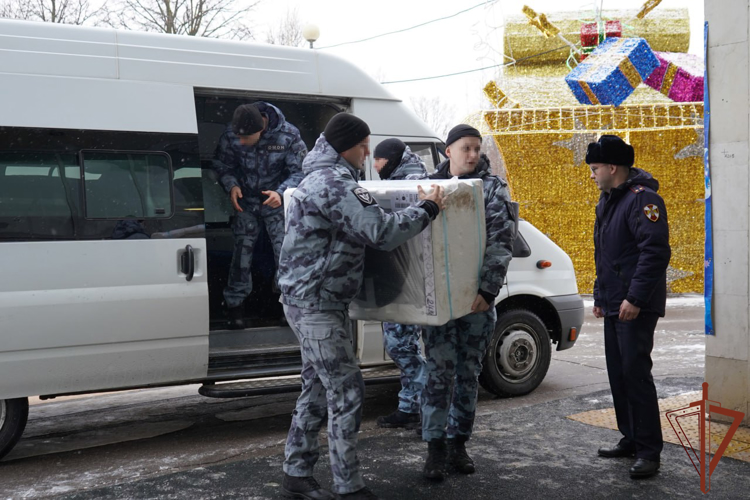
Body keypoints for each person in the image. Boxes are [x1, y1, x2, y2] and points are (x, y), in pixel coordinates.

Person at [277, 113, 444, 500]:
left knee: (317, 387)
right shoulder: (334, 183)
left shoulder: (323, 178)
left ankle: (296, 473)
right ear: (345, 144)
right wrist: (428, 209)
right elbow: (380, 232)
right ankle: (348, 486)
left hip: (315, 299)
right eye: (363, 144)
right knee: (347, 391)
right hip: (316, 303)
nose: (368, 152)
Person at [420, 124, 515, 481]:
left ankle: (459, 444)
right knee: (437, 374)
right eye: (466, 148)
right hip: (439, 302)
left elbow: (501, 243)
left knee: (467, 374)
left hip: (476, 300)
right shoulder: (430, 187)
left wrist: (488, 291)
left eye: (477, 148)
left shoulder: (491, 189)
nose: (473, 155)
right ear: (449, 152)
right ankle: (434, 450)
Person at [587, 135, 670, 479]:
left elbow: (655, 252)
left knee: (636, 376)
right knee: (619, 375)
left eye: (594, 168)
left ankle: (649, 451)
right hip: (613, 304)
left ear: (612, 167)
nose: (591, 175)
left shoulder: (644, 200)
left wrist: (635, 298)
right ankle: (631, 438)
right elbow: (607, 255)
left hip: (635, 305)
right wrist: (599, 294)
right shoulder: (608, 201)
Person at [212, 102, 307, 329]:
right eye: (239, 138)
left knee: (285, 254)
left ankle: (286, 307)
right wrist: (231, 185)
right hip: (245, 202)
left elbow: (301, 171)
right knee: (241, 255)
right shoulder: (231, 133)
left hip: (276, 203)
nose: (241, 142)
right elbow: (221, 164)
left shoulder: (289, 135)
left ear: (261, 129)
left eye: (246, 138)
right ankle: (235, 307)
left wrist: (282, 193)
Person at [371, 139, 429, 430]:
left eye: (378, 160)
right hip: (399, 273)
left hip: (410, 276)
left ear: (390, 159)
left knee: (400, 345)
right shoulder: (398, 178)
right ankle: (411, 405)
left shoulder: (412, 182)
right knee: (401, 344)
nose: (375, 165)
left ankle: (423, 403)